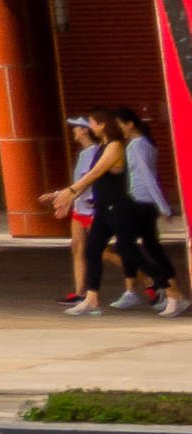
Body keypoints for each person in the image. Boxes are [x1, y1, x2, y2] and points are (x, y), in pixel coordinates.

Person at [56, 113, 138, 314]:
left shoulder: (110, 148)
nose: (75, 130)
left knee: (113, 251)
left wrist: (67, 193)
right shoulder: (94, 150)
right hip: (90, 208)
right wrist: (67, 196)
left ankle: (157, 283)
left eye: (81, 126)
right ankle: (86, 296)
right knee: (85, 250)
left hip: (104, 207)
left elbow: (91, 177)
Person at [124, 112, 183, 316]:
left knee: (130, 248)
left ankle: (170, 292)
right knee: (153, 249)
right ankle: (171, 294)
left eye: (119, 125)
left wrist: (163, 206)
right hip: (145, 203)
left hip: (141, 203)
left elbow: (148, 177)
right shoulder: (147, 145)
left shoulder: (136, 145)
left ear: (130, 125)